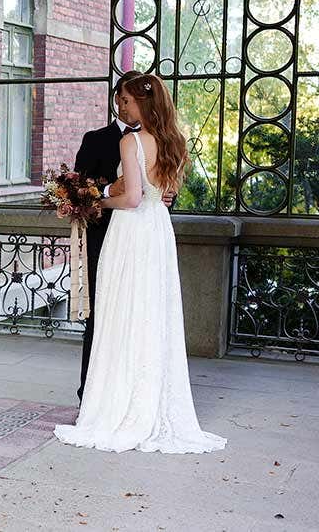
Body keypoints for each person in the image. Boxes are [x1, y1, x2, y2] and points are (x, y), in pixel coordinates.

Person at [54, 74, 226, 453]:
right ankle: (143, 401)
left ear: (140, 103)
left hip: (129, 233)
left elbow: (132, 199)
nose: (122, 105)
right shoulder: (172, 141)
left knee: (122, 314)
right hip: (156, 234)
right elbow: (160, 190)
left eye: (127, 100)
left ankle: (117, 405)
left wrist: (100, 199)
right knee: (150, 314)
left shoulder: (130, 142)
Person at [71, 70, 174, 403]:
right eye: (122, 99)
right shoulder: (96, 139)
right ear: (117, 99)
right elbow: (76, 191)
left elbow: (154, 193)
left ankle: (132, 396)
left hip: (140, 235)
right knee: (103, 315)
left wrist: (164, 196)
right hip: (107, 239)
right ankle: (92, 394)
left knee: (142, 313)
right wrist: (105, 191)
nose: (124, 105)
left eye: (130, 99)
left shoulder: (147, 140)